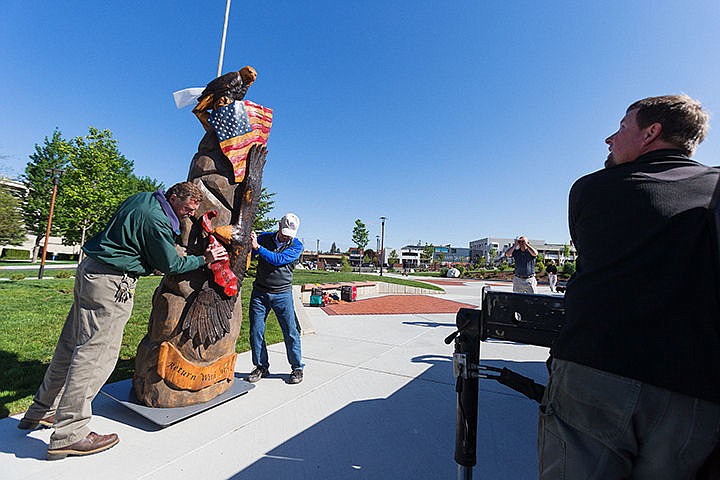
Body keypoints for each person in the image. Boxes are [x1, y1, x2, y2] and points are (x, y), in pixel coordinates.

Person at [539, 94, 720, 479]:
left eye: (622, 127)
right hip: (695, 391)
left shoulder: (595, 189)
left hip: (597, 369)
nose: (610, 138)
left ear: (651, 133)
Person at [17, 182, 229, 460]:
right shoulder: (156, 220)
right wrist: (204, 259)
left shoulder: (143, 200)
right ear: (175, 197)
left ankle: (42, 410)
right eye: (187, 209)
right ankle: (69, 434)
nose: (189, 215)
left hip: (91, 273)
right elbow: (171, 266)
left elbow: (141, 243)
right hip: (111, 284)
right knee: (95, 356)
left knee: (70, 347)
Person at [247, 213, 305, 385]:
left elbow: (278, 260)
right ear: (279, 225)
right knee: (256, 331)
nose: (286, 236)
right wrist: (250, 243)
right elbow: (250, 251)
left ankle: (297, 368)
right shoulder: (264, 238)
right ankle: (261, 366)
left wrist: (258, 248)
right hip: (260, 293)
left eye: (289, 234)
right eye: (284, 231)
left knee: (290, 332)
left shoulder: (296, 246)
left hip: (282, 294)